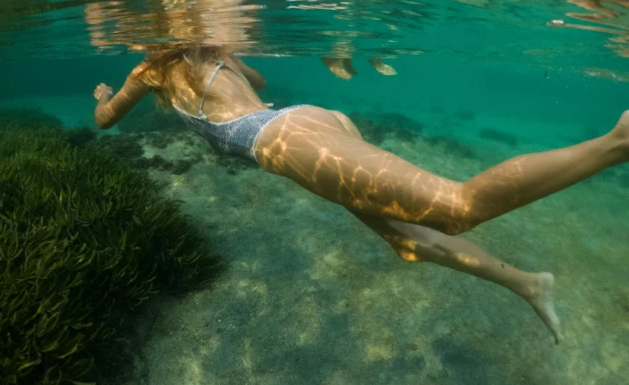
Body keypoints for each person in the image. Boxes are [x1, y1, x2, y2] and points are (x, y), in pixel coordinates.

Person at [93, 45, 629, 345]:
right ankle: (529, 284)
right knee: (410, 242)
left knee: (458, 209)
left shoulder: (147, 70)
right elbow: (255, 75)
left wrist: (102, 94)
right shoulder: (214, 53)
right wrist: (223, 58)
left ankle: (617, 141)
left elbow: (106, 119)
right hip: (305, 123)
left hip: (282, 141)